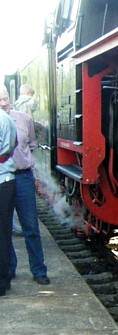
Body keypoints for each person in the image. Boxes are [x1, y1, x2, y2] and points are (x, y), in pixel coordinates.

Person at [0, 85, 50, 285]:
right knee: (4, 227)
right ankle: (9, 268)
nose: (4, 103)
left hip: (23, 177)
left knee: (30, 225)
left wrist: (36, 176)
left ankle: (38, 270)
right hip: (4, 179)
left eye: (5, 99)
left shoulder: (25, 119)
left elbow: (31, 147)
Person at [0, 108, 17, 296]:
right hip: (6, 178)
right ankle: (3, 280)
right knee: (3, 233)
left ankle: (1, 282)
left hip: (1, 179)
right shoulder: (7, 118)